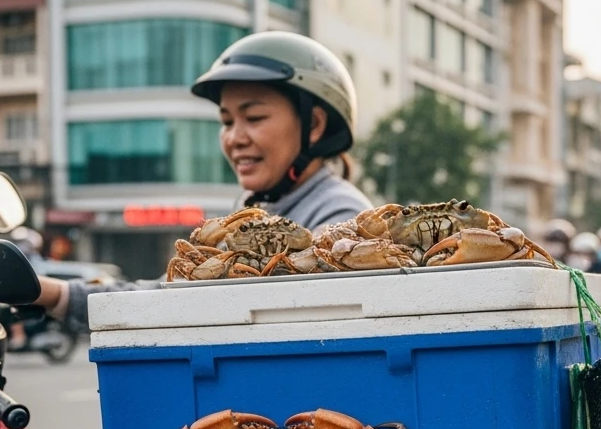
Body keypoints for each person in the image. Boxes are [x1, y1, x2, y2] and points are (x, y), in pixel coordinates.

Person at [27, 32, 370, 331]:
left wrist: (60, 295)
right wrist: (55, 294)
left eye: (253, 117)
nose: (234, 138)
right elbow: (174, 290)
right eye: (226, 121)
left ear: (314, 125)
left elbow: (221, 306)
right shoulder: (252, 211)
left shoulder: (342, 216)